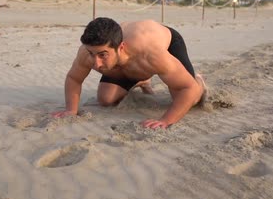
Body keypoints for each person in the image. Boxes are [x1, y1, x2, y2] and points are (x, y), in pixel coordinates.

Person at [51, 17, 206, 129]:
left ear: (121, 47)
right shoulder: (87, 52)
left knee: (187, 98)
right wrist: (71, 110)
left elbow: (188, 89)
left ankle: (199, 80)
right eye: (92, 54)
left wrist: (166, 120)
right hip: (130, 59)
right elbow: (74, 78)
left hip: (168, 41)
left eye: (102, 55)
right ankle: (142, 80)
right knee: (106, 99)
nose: (96, 64)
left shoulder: (150, 54)